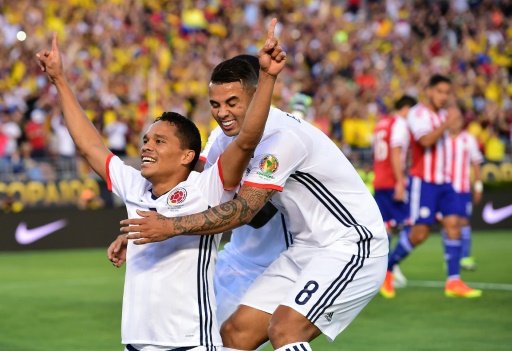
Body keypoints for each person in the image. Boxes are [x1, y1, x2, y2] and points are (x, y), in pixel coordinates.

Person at [121, 30, 388, 351]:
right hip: (303, 249)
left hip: (351, 244)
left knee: (287, 330)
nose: (222, 113)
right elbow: (192, 188)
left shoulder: (283, 138)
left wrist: (168, 227)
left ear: (257, 96)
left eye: (233, 102)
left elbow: (244, 210)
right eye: (216, 104)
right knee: (234, 333)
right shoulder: (222, 139)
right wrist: (140, 229)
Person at [37, 18, 286, 351]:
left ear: (186, 155)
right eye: (145, 139)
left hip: (190, 343)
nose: (147, 146)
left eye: (159, 141)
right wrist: (59, 80)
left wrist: (267, 76)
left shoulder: (207, 188)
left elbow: (246, 141)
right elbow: (89, 146)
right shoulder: (135, 186)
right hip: (136, 343)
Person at [381, 75, 482, 299]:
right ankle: (386, 270)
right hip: (423, 181)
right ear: (429, 91)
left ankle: (454, 281)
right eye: (440, 92)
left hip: (445, 181)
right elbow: (425, 140)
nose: (444, 97)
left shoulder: (444, 114)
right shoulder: (418, 114)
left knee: (454, 224)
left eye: (447, 92)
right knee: (419, 233)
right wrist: (447, 124)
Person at [372, 95, 417, 289]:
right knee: (412, 225)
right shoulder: (400, 124)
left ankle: (387, 268)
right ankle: (389, 267)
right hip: (392, 180)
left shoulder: (382, 124)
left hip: (380, 179)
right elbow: (396, 152)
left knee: (387, 227)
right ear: (406, 109)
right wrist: (400, 181)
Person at [444, 106, 484, 271]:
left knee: (464, 222)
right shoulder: (442, 138)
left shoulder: (468, 139)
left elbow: (476, 163)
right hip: (445, 188)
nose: (456, 123)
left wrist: (478, 186)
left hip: (462, 188)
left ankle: (465, 257)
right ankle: (451, 258)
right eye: (453, 119)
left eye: (459, 119)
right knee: (449, 223)